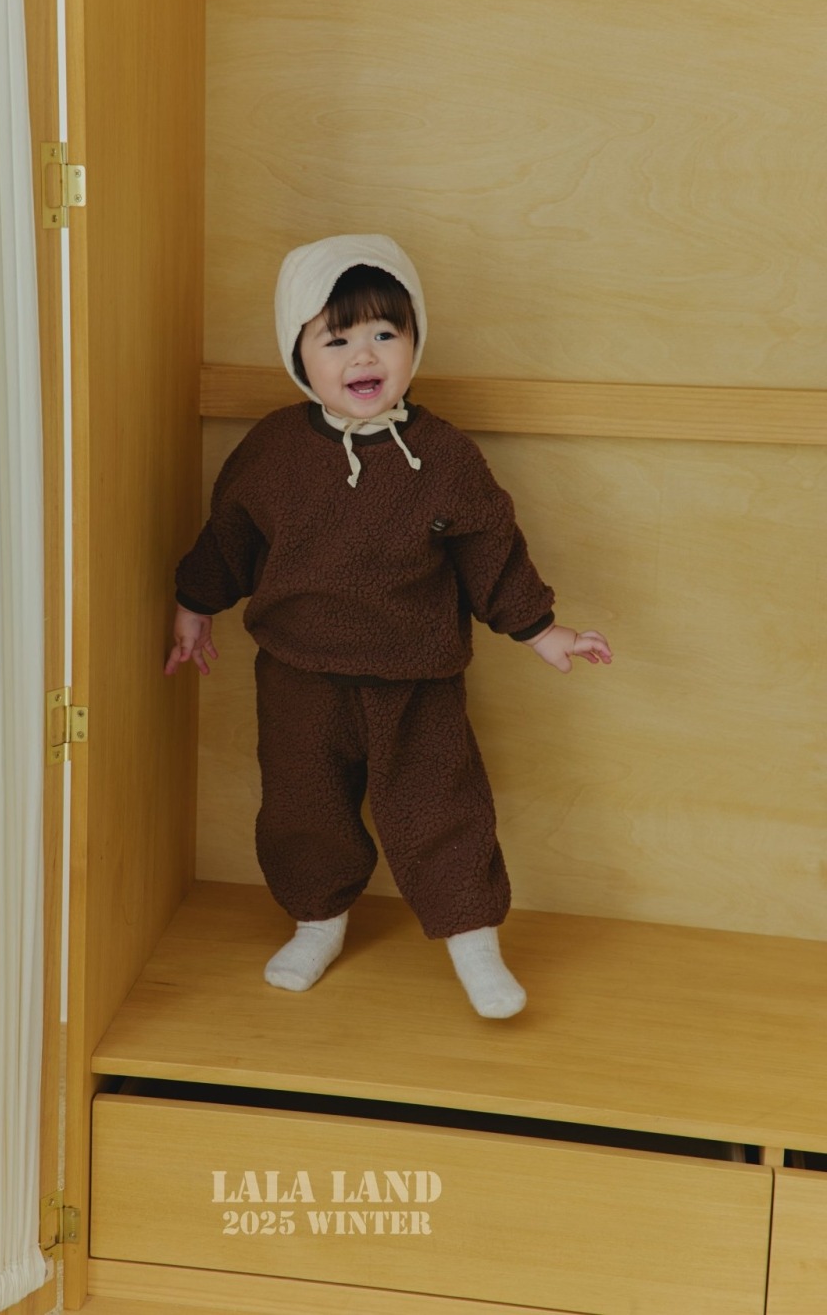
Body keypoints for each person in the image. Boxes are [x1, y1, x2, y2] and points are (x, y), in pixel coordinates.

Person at [166, 234, 612, 1017]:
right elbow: (228, 539)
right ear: (299, 355)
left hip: (418, 681)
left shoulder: (445, 458)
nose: (364, 355)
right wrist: (195, 607)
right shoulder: (273, 451)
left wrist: (543, 631)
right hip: (301, 676)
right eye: (336, 339)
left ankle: (474, 942)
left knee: (442, 809)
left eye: (384, 333)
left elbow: (491, 551)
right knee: (303, 807)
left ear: (414, 342)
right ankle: (317, 921)